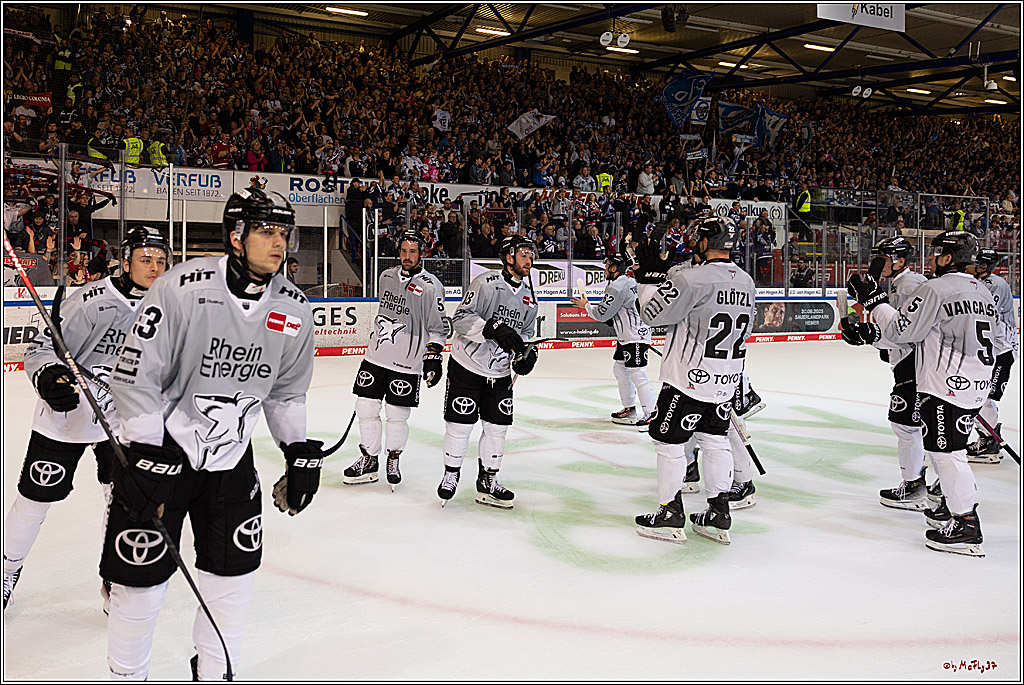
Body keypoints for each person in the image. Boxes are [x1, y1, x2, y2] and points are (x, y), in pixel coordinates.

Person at [103, 189, 321, 679]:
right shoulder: (181, 287)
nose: (278, 243)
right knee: (140, 584)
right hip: (161, 454)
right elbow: (135, 372)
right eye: (266, 231)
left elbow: (286, 393)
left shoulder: (295, 307)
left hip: (231, 462)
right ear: (235, 236)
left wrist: (297, 453)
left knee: (233, 581)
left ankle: (217, 670)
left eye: (283, 232)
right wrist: (143, 449)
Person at [4, 227, 169, 611]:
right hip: (68, 415)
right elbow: (42, 349)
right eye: (146, 259)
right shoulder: (92, 301)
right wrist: (48, 376)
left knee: (122, 499)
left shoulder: (167, 306)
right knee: (35, 498)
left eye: (161, 261)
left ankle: (115, 575)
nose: (155, 268)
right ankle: (7, 569)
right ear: (125, 260)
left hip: (123, 419)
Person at [845, 231, 998, 557]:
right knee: (950, 451)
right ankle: (950, 504)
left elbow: (903, 332)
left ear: (947, 258)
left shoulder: (934, 288)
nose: (931, 258)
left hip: (946, 385)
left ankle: (966, 524)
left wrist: (874, 302)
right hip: (975, 383)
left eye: (937, 253)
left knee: (948, 454)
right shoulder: (983, 291)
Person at [632, 217, 756, 545]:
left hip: (687, 378)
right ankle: (719, 512)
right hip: (726, 378)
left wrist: (646, 280)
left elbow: (650, 315)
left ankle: (669, 511)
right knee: (714, 440)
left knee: (668, 441)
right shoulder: (746, 281)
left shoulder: (690, 279)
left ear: (702, 241)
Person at [438, 235, 539, 508]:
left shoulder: (530, 297)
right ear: (509, 258)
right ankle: (451, 474)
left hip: (500, 372)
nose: (529, 259)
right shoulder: (485, 283)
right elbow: (459, 319)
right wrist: (491, 328)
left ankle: (488, 481)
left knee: (497, 429)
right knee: (460, 427)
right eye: (524, 254)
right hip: (467, 366)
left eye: (531, 254)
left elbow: (527, 336)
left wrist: (526, 356)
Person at [343, 230, 445, 490]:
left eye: (412, 252)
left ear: (421, 254)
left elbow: (440, 326)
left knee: (396, 415)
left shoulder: (431, 286)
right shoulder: (386, 276)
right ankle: (369, 459)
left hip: (407, 362)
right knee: (365, 408)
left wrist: (433, 356)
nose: (407, 256)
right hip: (376, 357)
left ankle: (393, 458)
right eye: (403, 251)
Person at [841, 237, 928, 510]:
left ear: (901, 260)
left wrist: (873, 335)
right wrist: (869, 335)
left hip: (915, 364)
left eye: (884, 258)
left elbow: (906, 333)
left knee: (905, 424)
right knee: (918, 425)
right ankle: (929, 482)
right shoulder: (898, 283)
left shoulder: (910, 286)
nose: (877, 263)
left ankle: (914, 486)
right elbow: (895, 331)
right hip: (911, 362)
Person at [571, 254, 655, 430]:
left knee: (638, 374)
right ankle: (629, 408)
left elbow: (603, 313)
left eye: (607, 265)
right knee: (620, 368)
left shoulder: (617, 286)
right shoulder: (629, 282)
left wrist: (586, 305)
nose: (605, 269)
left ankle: (651, 414)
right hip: (628, 335)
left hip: (634, 336)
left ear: (615, 268)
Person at [965, 248, 1017, 463]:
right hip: (988, 349)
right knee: (979, 393)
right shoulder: (977, 282)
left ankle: (989, 441)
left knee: (987, 397)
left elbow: (982, 313)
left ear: (984, 266)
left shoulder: (995, 284)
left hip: (1002, 350)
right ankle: (986, 437)